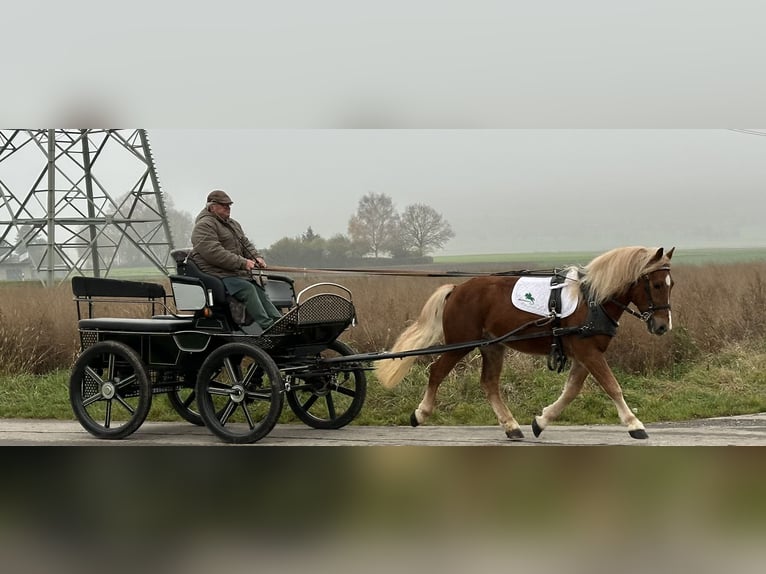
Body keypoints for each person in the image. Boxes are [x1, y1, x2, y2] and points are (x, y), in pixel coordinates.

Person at [190, 189, 282, 331]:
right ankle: (268, 326)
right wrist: (242, 262)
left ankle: (279, 322)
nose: (228, 208)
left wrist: (256, 257)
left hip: (233, 273)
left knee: (258, 288)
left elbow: (246, 244)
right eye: (224, 205)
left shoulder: (232, 224)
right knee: (248, 288)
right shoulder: (204, 226)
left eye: (229, 205)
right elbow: (214, 253)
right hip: (216, 274)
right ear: (212, 207)